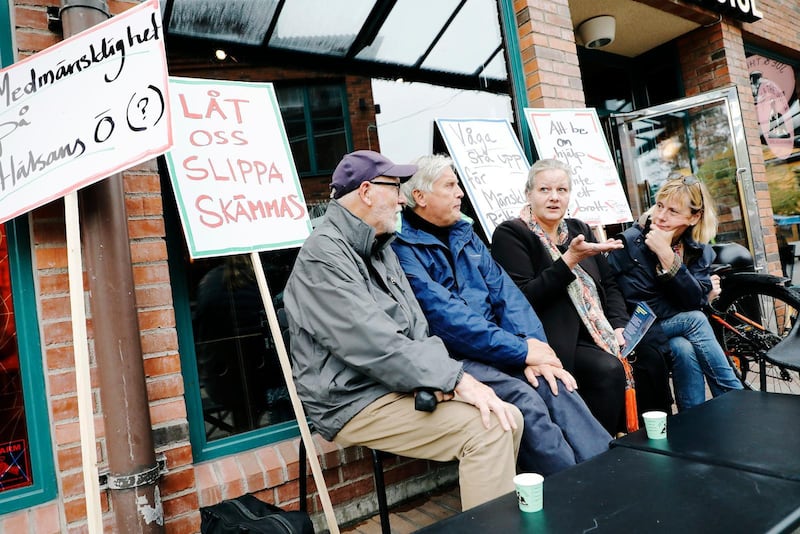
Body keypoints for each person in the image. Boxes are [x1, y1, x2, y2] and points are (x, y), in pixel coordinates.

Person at [283, 150, 523, 511]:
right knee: (488, 430)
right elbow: (374, 344)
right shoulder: (323, 257)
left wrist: (436, 379)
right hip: (351, 398)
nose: (401, 198)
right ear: (365, 191)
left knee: (508, 416)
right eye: (393, 187)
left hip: (391, 383)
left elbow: (417, 327)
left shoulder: (380, 246)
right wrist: (456, 380)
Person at [391, 154, 611, 477]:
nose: (460, 193)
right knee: (527, 401)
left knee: (555, 383)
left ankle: (609, 472)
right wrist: (521, 350)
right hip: (455, 358)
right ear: (420, 197)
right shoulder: (403, 249)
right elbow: (447, 320)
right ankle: (574, 490)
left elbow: (508, 297)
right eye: (450, 186)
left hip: (499, 348)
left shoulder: (465, 234)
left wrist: (534, 348)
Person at [490, 158, 636, 434]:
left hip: (597, 329)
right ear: (528, 193)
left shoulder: (578, 229)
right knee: (607, 369)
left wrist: (618, 324)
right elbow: (523, 299)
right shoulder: (512, 234)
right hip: (553, 337)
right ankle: (596, 449)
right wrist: (568, 261)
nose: (554, 197)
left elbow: (609, 284)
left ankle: (639, 439)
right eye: (545, 190)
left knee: (651, 353)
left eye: (562, 190)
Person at [606, 175, 743, 411]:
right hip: (634, 328)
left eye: (672, 211)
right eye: (659, 205)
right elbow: (650, 305)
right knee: (696, 319)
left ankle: (694, 421)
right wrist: (698, 297)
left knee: (683, 347)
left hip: (669, 329)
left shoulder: (698, 250)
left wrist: (668, 257)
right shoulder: (630, 244)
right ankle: (736, 398)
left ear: (694, 217)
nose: (660, 216)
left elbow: (693, 298)